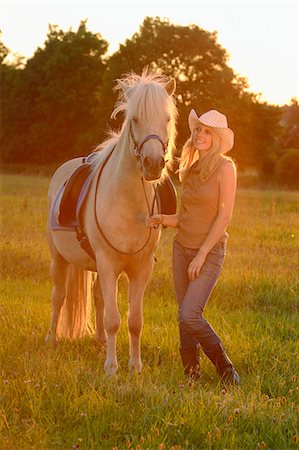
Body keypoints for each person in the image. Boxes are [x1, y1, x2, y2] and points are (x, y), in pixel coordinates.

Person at [146, 109, 240, 385]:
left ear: (218, 138)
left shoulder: (226, 168)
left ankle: (225, 367)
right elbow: (185, 217)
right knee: (183, 315)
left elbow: (224, 216)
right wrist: (162, 219)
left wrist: (200, 255)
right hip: (180, 248)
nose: (200, 134)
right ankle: (191, 373)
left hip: (208, 253)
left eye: (207, 131)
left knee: (190, 314)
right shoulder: (191, 168)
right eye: (198, 129)